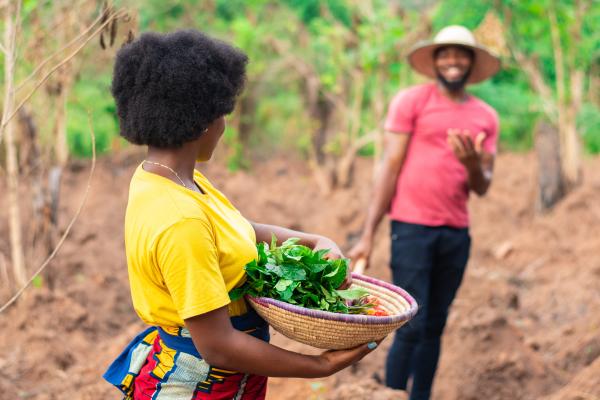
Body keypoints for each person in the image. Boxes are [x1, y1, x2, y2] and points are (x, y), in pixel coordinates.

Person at [103, 30, 379, 400]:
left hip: (219, 377)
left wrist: (316, 242)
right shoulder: (179, 219)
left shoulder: (172, 179)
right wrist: (320, 366)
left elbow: (237, 231)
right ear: (202, 121)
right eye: (223, 114)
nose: (225, 125)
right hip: (196, 384)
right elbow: (217, 345)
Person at [348, 25, 501, 400]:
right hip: (411, 227)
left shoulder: (486, 116)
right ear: (434, 61)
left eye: (460, 54)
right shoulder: (411, 101)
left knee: (434, 325)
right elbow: (390, 165)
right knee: (411, 325)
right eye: (445, 54)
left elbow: (482, 186)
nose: (453, 61)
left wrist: (470, 164)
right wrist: (368, 232)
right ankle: (393, 394)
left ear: (472, 62)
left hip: (455, 232)